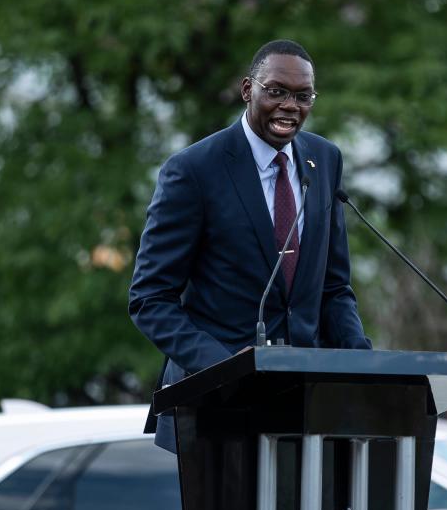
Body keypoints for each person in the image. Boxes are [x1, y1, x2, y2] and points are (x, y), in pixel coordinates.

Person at [129, 39, 371, 452]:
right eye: (276, 91)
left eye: (302, 95)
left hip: (306, 407)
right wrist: (227, 368)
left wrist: (366, 364)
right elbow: (150, 299)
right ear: (248, 90)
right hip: (214, 410)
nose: (289, 105)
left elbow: (333, 288)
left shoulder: (324, 160)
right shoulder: (193, 171)